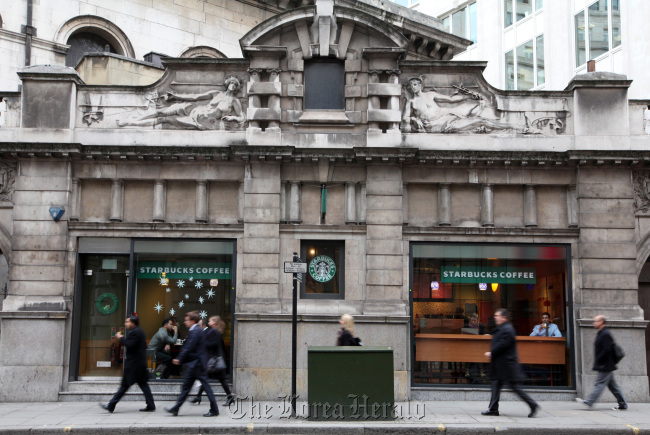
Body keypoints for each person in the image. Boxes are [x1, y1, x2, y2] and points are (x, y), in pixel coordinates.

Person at [401, 77, 539, 134]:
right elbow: (405, 119)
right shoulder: (411, 102)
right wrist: (414, 119)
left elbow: (450, 99)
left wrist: (469, 96)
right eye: (411, 85)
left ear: (420, 85)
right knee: (480, 121)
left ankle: (521, 128)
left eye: (415, 84)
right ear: (409, 88)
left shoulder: (430, 94)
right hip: (436, 126)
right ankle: (522, 128)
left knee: (478, 118)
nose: (413, 87)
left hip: (447, 117)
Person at [118, 76, 245, 130]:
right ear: (227, 84)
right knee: (161, 112)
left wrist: (232, 117)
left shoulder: (234, 101)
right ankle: (131, 120)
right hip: (194, 109)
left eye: (235, 84)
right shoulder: (217, 93)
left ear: (237, 87)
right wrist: (176, 96)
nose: (233, 85)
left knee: (165, 120)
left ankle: (131, 123)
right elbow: (195, 97)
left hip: (202, 121)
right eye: (231, 83)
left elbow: (242, 117)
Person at [481, 308, 539, 418]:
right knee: (496, 386)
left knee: (515, 388)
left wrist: (491, 352)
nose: (495, 317)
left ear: (504, 317)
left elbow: (502, 344)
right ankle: (493, 409)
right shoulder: (504, 328)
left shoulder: (507, 329)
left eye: (497, 316)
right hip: (501, 365)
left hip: (506, 365)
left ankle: (533, 404)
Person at [165, 311, 219, 417]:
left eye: (187, 320)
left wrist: (179, 358)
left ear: (193, 320)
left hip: (196, 364)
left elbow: (189, 347)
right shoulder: (195, 330)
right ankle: (176, 408)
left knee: (205, 388)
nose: (185, 322)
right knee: (186, 387)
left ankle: (214, 409)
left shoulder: (195, 331)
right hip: (194, 364)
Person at [100, 315, 156, 413]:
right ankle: (151, 405)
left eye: (127, 322)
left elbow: (130, 344)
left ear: (133, 323)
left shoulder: (135, 332)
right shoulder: (139, 331)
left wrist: (121, 338)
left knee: (125, 386)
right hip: (138, 364)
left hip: (134, 364)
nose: (126, 323)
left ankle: (111, 405)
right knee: (143, 385)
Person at [576, 315, 628, 410]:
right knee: (613, 386)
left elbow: (607, 349)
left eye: (595, 321)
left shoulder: (605, 334)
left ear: (601, 322)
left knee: (599, 383)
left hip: (605, 364)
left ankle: (590, 401)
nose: (594, 323)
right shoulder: (601, 333)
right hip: (606, 364)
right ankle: (623, 404)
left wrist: (599, 360)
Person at [192, 316, 235, 407]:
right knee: (210, 379)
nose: (208, 321)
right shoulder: (215, 331)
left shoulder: (214, 331)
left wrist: (203, 344)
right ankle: (199, 396)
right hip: (216, 360)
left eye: (210, 320)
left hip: (215, 360)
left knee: (212, 379)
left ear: (214, 322)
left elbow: (214, 344)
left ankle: (229, 397)